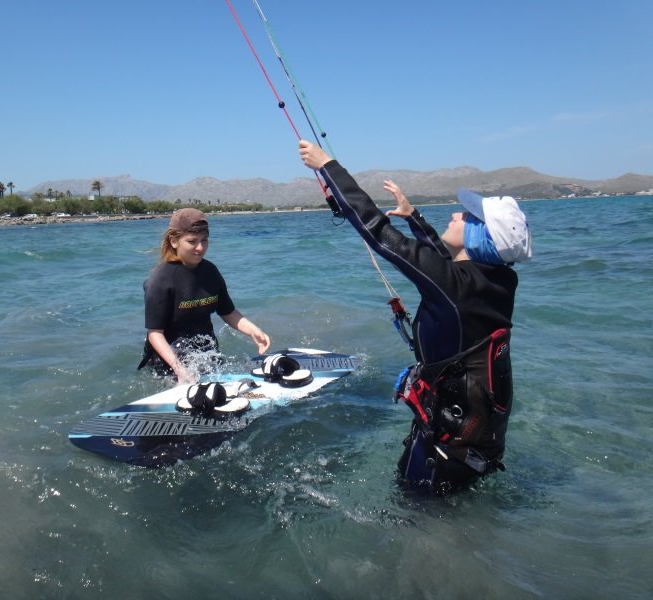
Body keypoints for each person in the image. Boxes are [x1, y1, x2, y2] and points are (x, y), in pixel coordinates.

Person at [298, 140, 532, 494]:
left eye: (467, 217)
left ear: (478, 236)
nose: (456, 215)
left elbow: (377, 232)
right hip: (478, 445)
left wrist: (328, 166)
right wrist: (414, 218)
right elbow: (448, 264)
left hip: (443, 455)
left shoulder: (455, 285)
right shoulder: (499, 280)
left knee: (416, 527)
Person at [139, 207, 271, 384]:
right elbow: (155, 333)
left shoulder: (210, 271)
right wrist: (179, 370)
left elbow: (228, 312)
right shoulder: (160, 280)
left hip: (206, 354)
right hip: (170, 362)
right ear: (174, 241)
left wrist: (254, 331)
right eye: (192, 241)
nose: (200, 248)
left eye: (204, 240)